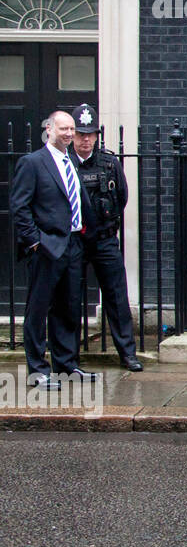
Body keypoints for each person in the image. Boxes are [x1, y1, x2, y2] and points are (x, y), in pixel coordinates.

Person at [10, 109, 97, 388]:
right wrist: (35, 242)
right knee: (38, 310)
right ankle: (38, 370)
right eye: (63, 129)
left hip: (72, 245)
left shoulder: (70, 160)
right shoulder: (33, 162)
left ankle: (66, 365)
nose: (70, 134)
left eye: (72, 129)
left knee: (68, 309)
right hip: (46, 246)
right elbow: (20, 207)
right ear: (49, 129)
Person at [71, 104, 142, 372]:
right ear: (72, 136)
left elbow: (121, 197)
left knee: (116, 296)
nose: (85, 139)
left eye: (90, 134)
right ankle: (69, 356)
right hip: (74, 240)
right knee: (69, 298)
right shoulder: (64, 163)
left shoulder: (109, 163)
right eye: (80, 134)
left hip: (104, 239)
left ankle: (127, 353)